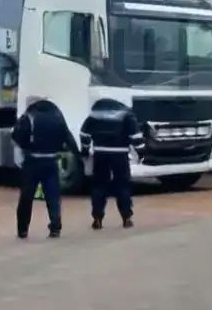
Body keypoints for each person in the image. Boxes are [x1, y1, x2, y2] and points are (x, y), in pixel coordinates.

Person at [11, 96, 78, 239]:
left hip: (32, 162)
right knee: (53, 196)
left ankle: (23, 230)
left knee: (26, 197)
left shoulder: (29, 116)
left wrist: (23, 151)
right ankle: (55, 227)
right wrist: (77, 154)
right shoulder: (57, 116)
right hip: (51, 160)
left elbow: (17, 136)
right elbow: (67, 136)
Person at [79, 99, 144, 230]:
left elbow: (84, 134)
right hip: (120, 154)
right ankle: (126, 218)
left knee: (99, 186)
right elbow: (136, 136)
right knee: (123, 186)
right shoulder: (126, 116)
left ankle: (97, 218)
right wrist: (141, 152)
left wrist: (85, 150)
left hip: (100, 153)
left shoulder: (94, 115)